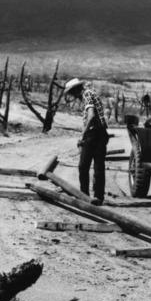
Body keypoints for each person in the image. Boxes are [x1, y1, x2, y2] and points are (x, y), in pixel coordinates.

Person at [64, 77, 109, 206]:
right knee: (98, 166)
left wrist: (82, 135)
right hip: (101, 133)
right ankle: (98, 197)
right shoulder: (90, 93)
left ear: (75, 90)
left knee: (83, 166)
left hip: (93, 133)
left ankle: (84, 195)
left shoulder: (87, 94)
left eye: (72, 93)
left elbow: (91, 115)